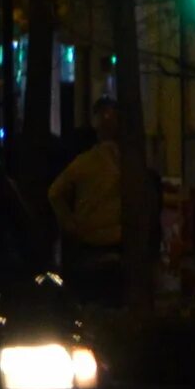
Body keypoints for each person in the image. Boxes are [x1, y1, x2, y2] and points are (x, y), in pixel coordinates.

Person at [46, 99, 127, 302]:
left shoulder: (84, 163)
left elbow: (54, 193)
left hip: (89, 244)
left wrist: (70, 224)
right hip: (118, 243)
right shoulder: (127, 163)